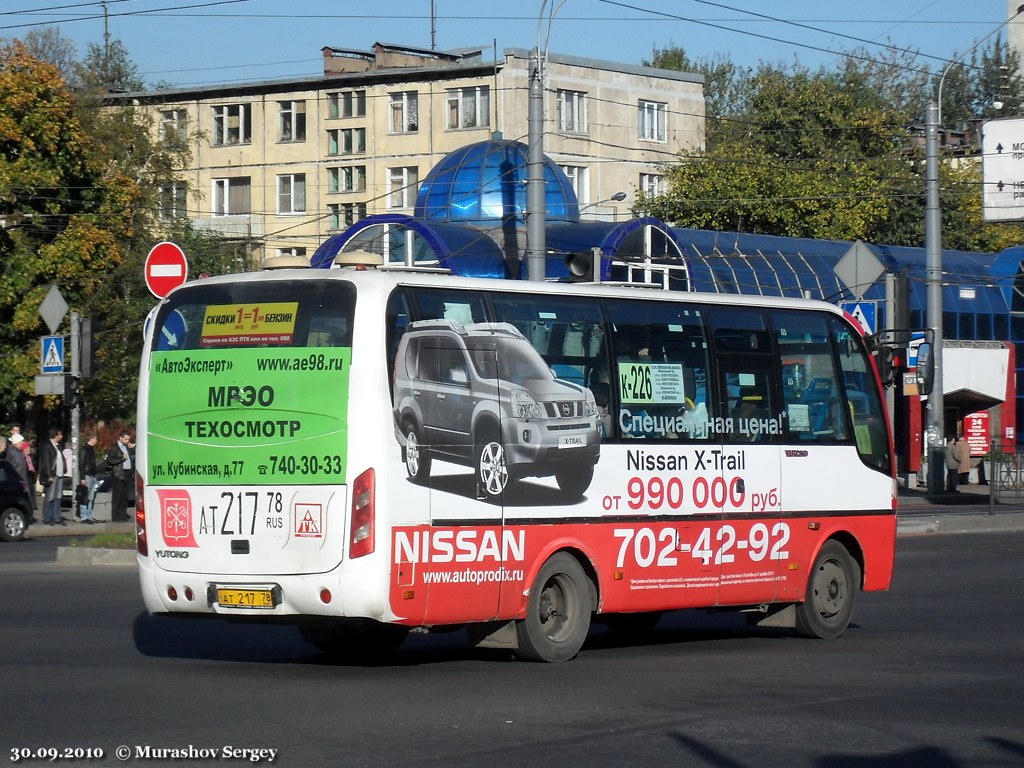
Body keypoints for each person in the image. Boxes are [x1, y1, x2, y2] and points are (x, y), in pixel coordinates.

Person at [39, 427, 67, 525]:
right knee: (49, 497)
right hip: (52, 474)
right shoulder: (47, 445)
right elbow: (46, 461)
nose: (62, 436)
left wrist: (64, 470)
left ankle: (57, 517)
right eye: (60, 435)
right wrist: (49, 475)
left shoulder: (58, 446)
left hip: (59, 474)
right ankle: (47, 517)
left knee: (58, 497)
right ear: (55, 435)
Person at [105, 430, 133, 522]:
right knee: (117, 496)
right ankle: (116, 516)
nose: (127, 441)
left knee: (125, 496)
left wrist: (133, 446)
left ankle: (123, 513)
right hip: (118, 473)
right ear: (120, 438)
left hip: (127, 472)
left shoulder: (127, 447)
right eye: (125, 439)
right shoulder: (114, 448)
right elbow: (110, 461)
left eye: (128, 439)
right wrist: (121, 458)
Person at [77, 432, 99, 524]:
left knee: (90, 497)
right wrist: (82, 477)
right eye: (96, 439)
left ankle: (89, 515)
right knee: (85, 496)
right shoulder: (84, 449)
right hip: (87, 475)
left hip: (92, 475)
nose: (97, 441)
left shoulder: (91, 449)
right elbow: (81, 463)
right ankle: (84, 516)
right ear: (92, 439)